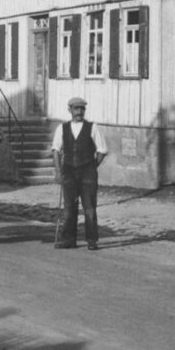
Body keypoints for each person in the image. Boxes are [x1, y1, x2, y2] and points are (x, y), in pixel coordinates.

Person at [52, 98, 107, 250]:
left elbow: (102, 150)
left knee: (89, 207)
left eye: (82, 109)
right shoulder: (62, 128)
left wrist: (92, 167)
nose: (79, 112)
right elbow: (56, 150)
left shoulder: (92, 127)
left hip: (87, 173)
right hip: (68, 171)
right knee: (69, 207)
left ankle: (92, 240)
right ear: (69, 109)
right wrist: (58, 171)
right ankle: (69, 240)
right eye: (76, 109)